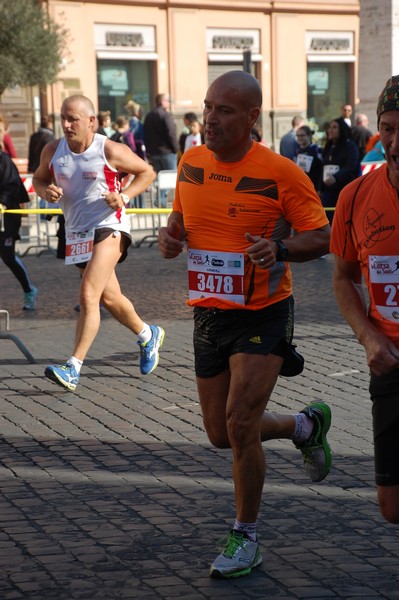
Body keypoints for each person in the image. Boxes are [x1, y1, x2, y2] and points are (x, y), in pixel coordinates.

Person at [158, 71, 332, 579]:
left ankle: (246, 536)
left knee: (238, 422)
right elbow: (181, 227)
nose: (210, 118)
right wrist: (172, 242)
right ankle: (305, 425)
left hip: (264, 312)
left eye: (225, 111)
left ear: (252, 117)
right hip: (209, 310)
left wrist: (279, 248)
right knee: (221, 434)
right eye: (209, 107)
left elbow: (320, 237)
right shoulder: (190, 161)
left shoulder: (280, 172)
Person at [32, 94, 164, 392]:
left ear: (91, 121)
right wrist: (45, 191)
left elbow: (147, 171)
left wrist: (125, 196)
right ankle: (147, 334)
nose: (65, 124)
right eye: (62, 118)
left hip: (109, 226)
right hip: (77, 233)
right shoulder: (53, 150)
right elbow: (38, 179)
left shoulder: (109, 149)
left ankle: (73, 367)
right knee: (109, 298)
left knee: (88, 295)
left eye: (72, 119)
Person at [330, 74, 399, 525]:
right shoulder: (355, 197)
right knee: (391, 508)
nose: (396, 140)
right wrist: (368, 337)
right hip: (390, 361)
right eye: (389, 127)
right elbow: (342, 277)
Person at [0, 121, 38, 310]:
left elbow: (11, 186)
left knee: (8, 256)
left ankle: (29, 290)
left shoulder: (4, 160)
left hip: (6, 217)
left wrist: (2, 202)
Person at [320, 117, 360, 224]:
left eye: (334, 127)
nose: (330, 130)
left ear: (341, 129)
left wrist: (336, 177)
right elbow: (323, 166)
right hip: (328, 191)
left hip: (344, 189)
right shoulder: (329, 146)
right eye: (330, 127)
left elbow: (351, 165)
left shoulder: (350, 146)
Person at [144, 93, 178, 207]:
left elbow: (146, 136)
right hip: (167, 152)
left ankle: (160, 199)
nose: (169, 103)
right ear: (162, 102)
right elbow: (171, 133)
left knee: (161, 178)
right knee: (170, 177)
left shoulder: (149, 115)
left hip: (154, 153)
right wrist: (175, 148)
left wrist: (149, 151)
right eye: (168, 101)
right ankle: (161, 200)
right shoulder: (165, 115)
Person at [294, 125, 323, 192]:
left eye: (302, 135)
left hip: (314, 187)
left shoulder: (317, 150)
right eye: (298, 136)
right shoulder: (297, 151)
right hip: (301, 187)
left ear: (309, 135)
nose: (299, 138)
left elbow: (322, 169)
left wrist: (320, 188)